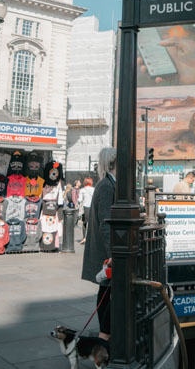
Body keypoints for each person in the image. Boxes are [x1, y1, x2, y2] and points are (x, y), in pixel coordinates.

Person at [81, 147, 116, 344]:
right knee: (109, 293)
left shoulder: (108, 184)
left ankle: (105, 336)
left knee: (106, 292)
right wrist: (112, 254)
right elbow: (105, 222)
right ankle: (104, 337)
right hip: (107, 252)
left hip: (108, 251)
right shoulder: (106, 186)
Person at [78, 177, 95, 245]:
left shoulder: (82, 190)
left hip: (85, 208)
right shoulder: (94, 189)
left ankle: (84, 237)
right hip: (92, 207)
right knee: (92, 223)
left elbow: (79, 200)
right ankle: (91, 238)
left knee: (85, 223)